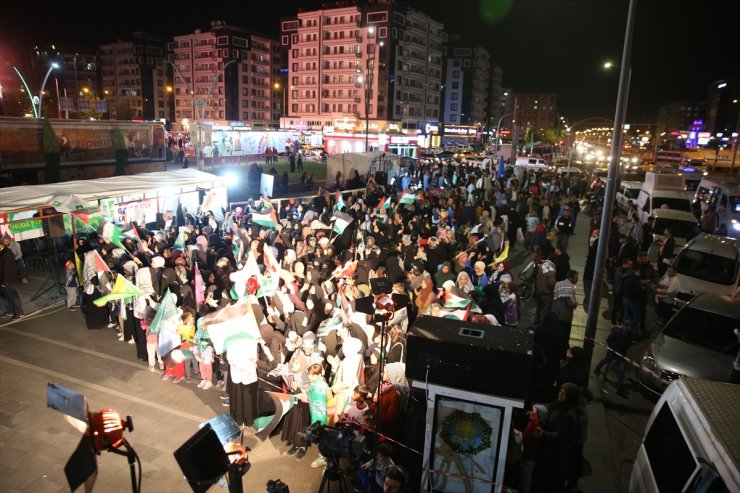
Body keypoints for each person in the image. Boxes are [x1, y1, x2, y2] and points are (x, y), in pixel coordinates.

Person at [594, 323, 632, 397]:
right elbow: (609, 339)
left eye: (629, 326)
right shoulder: (616, 332)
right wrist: (614, 348)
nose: (629, 328)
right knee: (605, 360)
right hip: (613, 353)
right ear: (623, 326)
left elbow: (629, 342)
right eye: (627, 326)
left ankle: (620, 386)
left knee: (621, 369)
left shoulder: (629, 334)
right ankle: (598, 368)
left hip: (621, 355)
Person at [0, 238, 24, 319]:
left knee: (13, 296)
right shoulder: (3, 253)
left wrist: (5, 281)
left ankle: (19, 312)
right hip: (3, 279)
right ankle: (11, 311)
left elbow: (8, 269)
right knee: (7, 296)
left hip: (8, 279)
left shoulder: (7, 254)